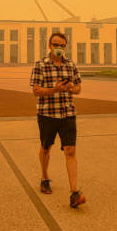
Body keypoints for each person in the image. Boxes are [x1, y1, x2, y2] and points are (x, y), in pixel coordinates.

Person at [30, 32, 86, 208]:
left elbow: (78, 89)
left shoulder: (70, 65)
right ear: (49, 46)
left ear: (65, 47)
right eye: (55, 45)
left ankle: (75, 193)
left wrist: (70, 88)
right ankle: (45, 177)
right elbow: (36, 90)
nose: (59, 48)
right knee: (46, 147)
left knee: (70, 150)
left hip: (67, 113)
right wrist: (54, 90)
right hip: (47, 114)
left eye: (62, 45)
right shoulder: (40, 65)